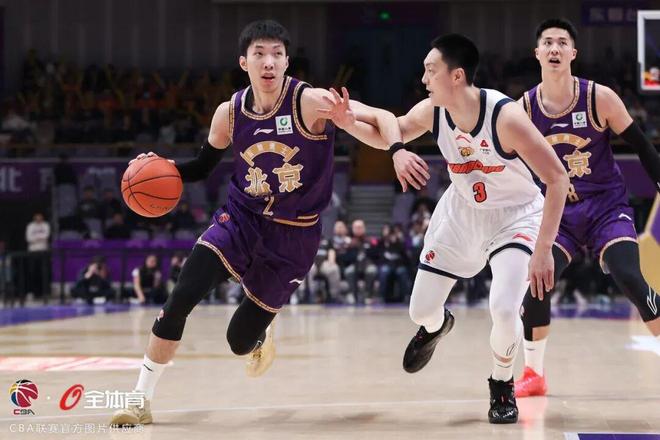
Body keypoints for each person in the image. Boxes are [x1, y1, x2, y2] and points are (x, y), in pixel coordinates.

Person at [111, 19, 408, 427]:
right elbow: (201, 167)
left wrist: (392, 148)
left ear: (287, 62)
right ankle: (139, 400)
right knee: (180, 298)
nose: (268, 62)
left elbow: (385, 117)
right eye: (259, 54)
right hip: (241, 218)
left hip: (294, 235)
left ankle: (261, 333)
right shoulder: (229, 113)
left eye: (277, 55)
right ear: (244, 62)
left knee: (238, 342)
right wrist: (157, 167)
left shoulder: (312, 102)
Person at [323, 34, 568, 424]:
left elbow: (557, 178)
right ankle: (438, 325)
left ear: (456, 76)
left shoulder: (505, 117)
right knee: (419, 310)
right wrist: (349, 123)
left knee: (504, 308)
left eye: (430, 70)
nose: (423, 79)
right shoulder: (432, 110)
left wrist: (543, 250)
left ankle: (501, 383)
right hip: (463, 212)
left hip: (515, 217)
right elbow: (391, 131)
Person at [514, 18, 660, 398]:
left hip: (605, 206)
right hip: (558, 213)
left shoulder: (599, 98)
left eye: (562, 42)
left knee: (629, 276)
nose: (555, 48)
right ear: (537, 53)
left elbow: (641, 145)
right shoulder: (523, 108)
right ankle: (534, 373)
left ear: (573, 53)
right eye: (548, 42)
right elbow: (505, 160)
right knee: (537, 285)